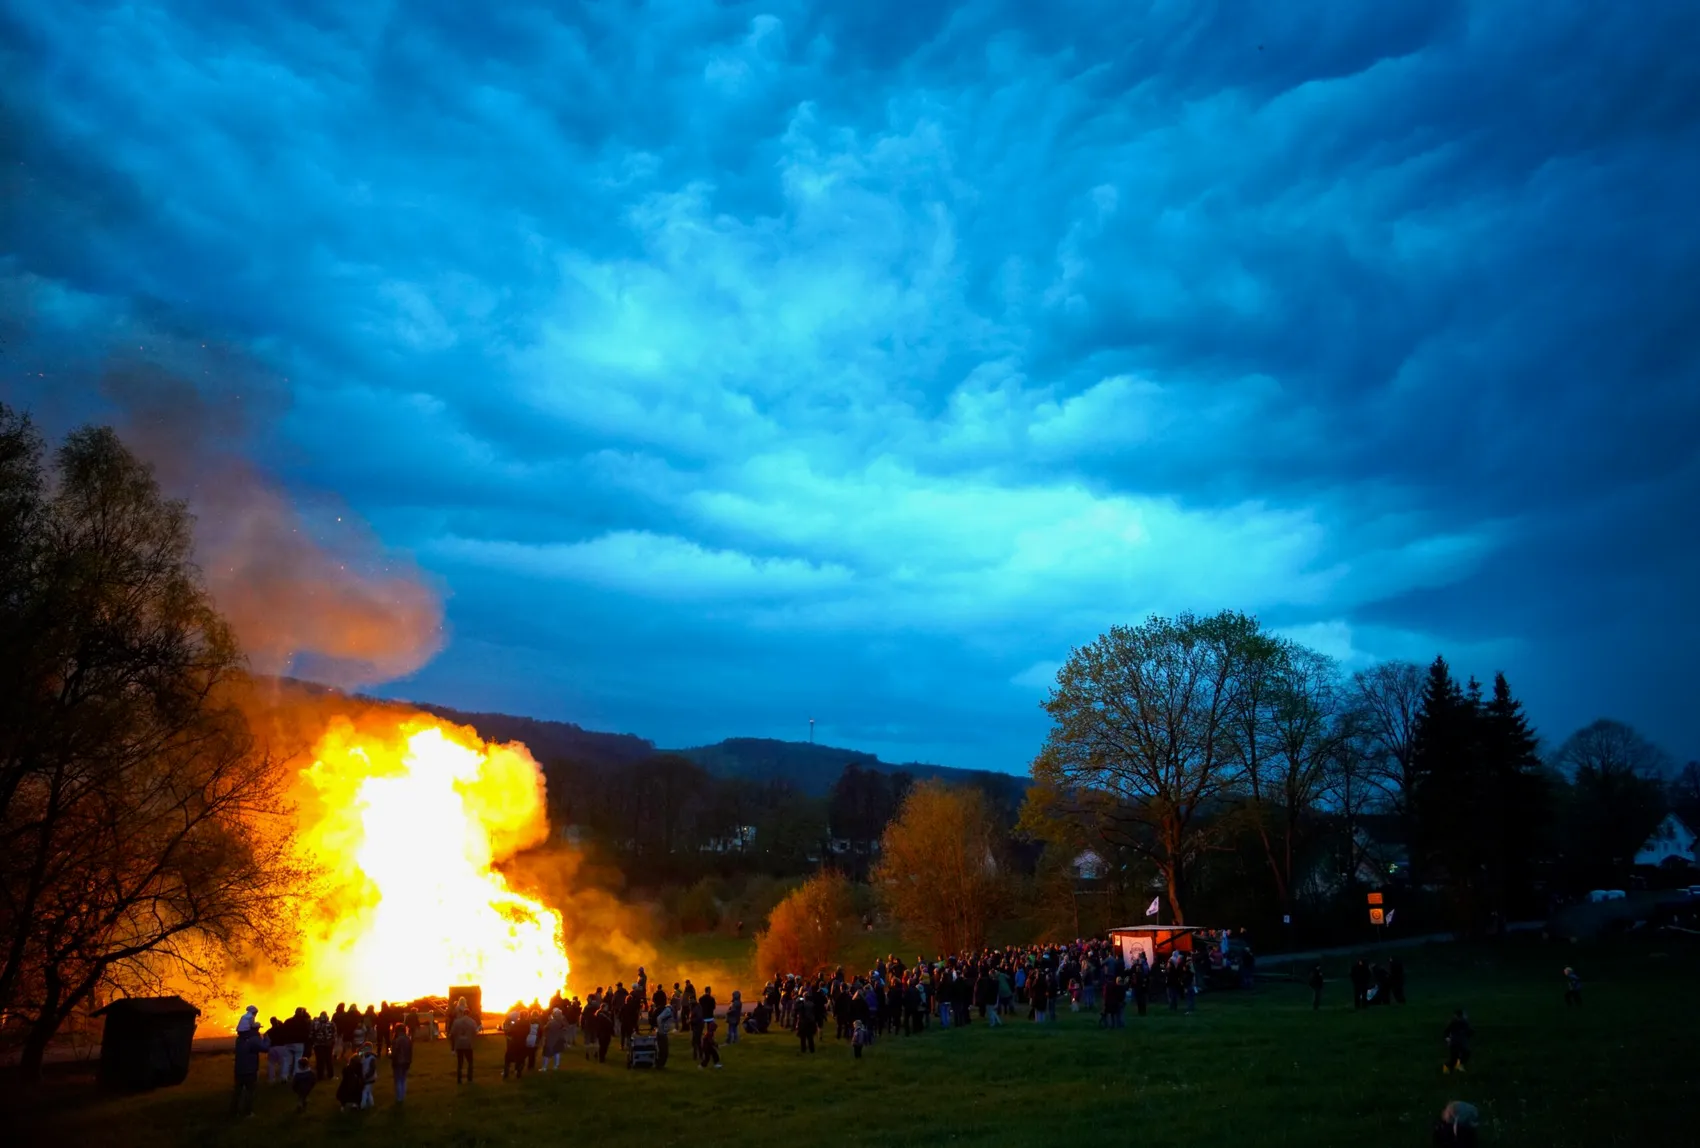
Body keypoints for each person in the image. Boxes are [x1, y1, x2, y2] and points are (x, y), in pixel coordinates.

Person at [231, 1027, 265, 1118]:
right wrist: (266, 1039)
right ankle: (248, 1112)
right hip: (250, 1070)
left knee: (237, 1091)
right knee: (250, 1092)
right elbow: (265, 1048)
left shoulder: (239, 1040)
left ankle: (234, 1112)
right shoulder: (253, 1040)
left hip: (239, 1069)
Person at [449, 1004, 479, 1083]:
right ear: (469, 1013)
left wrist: (453, 1047)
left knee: (460, 1063)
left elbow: (452, 1034)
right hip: (468, 1045)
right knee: (470, 1062)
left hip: (459, 1044)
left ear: (462, 1013)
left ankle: (459, 1079)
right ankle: (470, 1078)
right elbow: (475, 1032)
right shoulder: (472, 1022)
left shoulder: (456, 1022)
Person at [1441, 1008, 1474, 1074]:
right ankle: (1449, 1067)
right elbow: (1446, 1032)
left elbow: (1469, 1031)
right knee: (1455, 1057)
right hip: (1456, 1042)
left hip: (1459, 1041)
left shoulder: (1463, 1023)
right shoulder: (1455, 1023)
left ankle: (1457, 1066)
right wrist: (1448, 1039)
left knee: (1465, 1053)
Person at [390, 1021, 413, 1102]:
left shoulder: (396, 1040)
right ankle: (402, 1096)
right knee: (403, 1079)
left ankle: (399, 1097)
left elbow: (394, 1052)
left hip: (398, 1062)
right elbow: (410, 1051)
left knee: (398, 1080)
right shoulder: (408, 1039)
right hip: (406, 1061)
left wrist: (391, 1056)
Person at [311, 1011, 336, 1081]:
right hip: (328, 1044)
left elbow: (311, 1033)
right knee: (329, 1060)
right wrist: (332, 1042)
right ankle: (330, 1075)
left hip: (318, 1045)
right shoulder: (331, 1023)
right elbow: (334, 1034)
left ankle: (320, 1076)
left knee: (319, 1060)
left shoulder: (315, 1024)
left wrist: (314, 1042)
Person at [654, 1000, 675, 1069]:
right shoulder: (668, 1011)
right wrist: (661, 1029)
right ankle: (660, 1065)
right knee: (664, 1051)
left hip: (661, 1032)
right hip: (662, 1033)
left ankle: (659, 1064)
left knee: (661, 1050)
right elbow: (659, 1018)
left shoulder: (667, 1010)